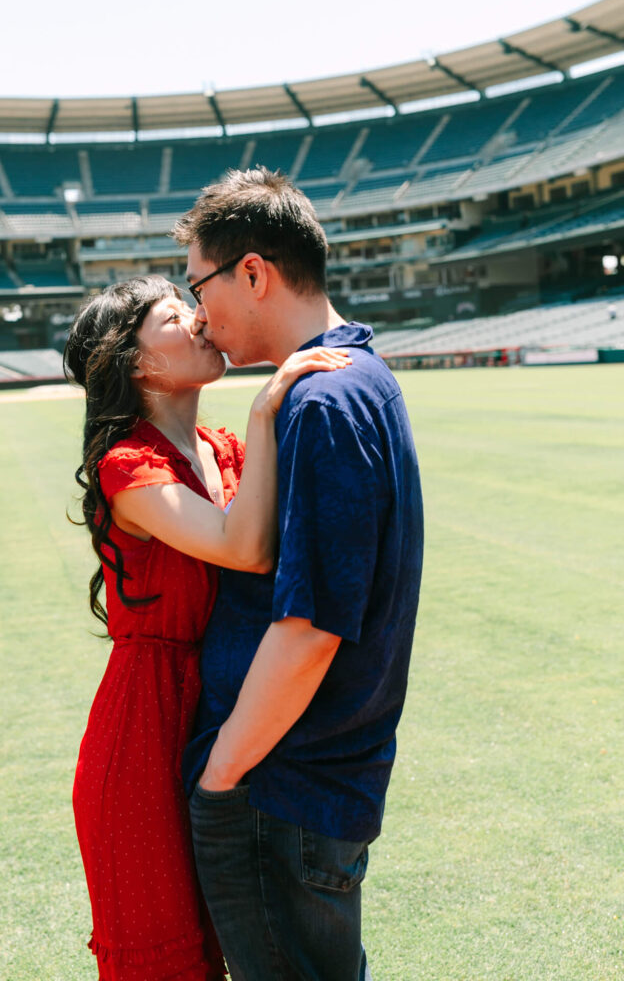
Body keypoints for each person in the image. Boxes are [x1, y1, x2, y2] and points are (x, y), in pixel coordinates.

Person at [174, 168, 424, 981]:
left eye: (198, 285)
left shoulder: (323, 401)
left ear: (253, 272)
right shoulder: (354, 378)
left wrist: (220, 776)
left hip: (284, 790)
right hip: (311, 785)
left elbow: (311, 630)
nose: (197, 314)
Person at [63, 275, 350, 981]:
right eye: (171, 314)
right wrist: (264, 413)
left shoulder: (222, 453)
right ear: (134, 362)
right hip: (146, 728)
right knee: (172, 958)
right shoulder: (129, 466)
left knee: (255, 940)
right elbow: (244, 548)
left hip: (225, 709)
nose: (196, 318)